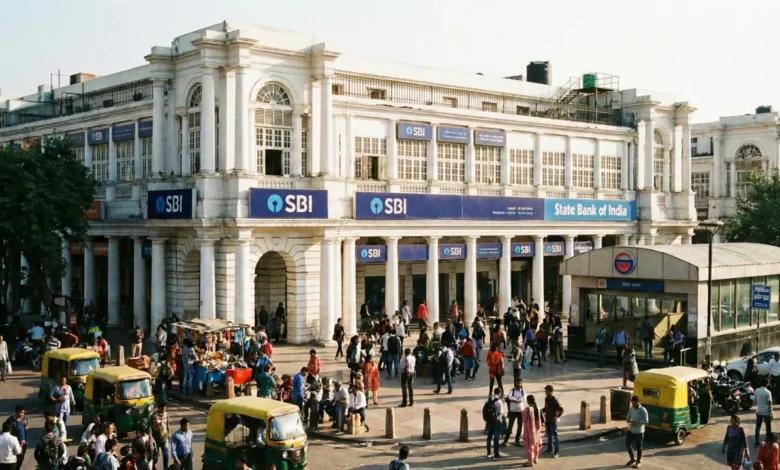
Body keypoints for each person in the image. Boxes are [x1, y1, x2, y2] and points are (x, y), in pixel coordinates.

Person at [625, 395, 648, 468]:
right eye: (632, 403)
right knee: (627, 444)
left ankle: (638, 461)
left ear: (638, 402)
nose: (633, 404)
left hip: (639, 431)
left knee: (638, 447)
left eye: (634, 403)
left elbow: (646, 421)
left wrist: (637, 422)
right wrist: (628, 420)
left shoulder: (643, 410)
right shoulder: (631, 408)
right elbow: (628, 416)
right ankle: (632, 458)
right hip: (631, 429)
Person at [542, 384, 563, 458]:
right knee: (549, 436)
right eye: (545, 391)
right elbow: (545, 408)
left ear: (551, 392)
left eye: (547, 391)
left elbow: (561, 410)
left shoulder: (555, 400)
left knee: (555, 437)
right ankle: (550, 449)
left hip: (553, 421)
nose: (545, 392)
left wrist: (557, 417)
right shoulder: (546, 399)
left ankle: (556, 452)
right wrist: (540, 411)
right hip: (547, 420)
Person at [484, 388, 505, 460]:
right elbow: (501, 412)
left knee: (489, 437)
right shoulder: (499, 401)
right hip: (497, 421)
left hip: (490, 421)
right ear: (499, 393)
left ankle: (488, 453)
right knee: (496, 438)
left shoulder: (488, 399)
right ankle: (496, 455)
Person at [503, 379, 526, 447]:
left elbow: (524, 398)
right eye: (517, 383)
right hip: (513, 411)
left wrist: (517, 400)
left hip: (520, 411)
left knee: (520, 426)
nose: (518, 384)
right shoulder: (512, 390)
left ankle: (517, 440)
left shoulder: (523, 391)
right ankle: (506, 440)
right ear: (515, 383)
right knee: (510, 426)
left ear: (521, 384)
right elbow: (510, 397)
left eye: (520, 383)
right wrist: (517, 400)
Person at [150, 402, 171, 470]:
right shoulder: (154, 415)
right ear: (159, 407)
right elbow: (152, 427)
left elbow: (168, 425)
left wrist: (169, 433)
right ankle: (154, 466)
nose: (164, 409)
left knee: (166, 455)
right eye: (162, 407)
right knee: (156, 456)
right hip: (156, 439)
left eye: (165, 407)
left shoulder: (166, 415)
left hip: (165, 438)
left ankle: (166, 468)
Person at [756, 379, 774, 446]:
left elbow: (755, 400)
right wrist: (771, 413)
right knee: (768, 427)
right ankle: (768, 440)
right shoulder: (768, 392)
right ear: (767, 384)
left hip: (758, 411)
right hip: (766, 412)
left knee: (757, 427)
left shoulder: (757, 390)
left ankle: (756, 441)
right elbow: (770, 403)